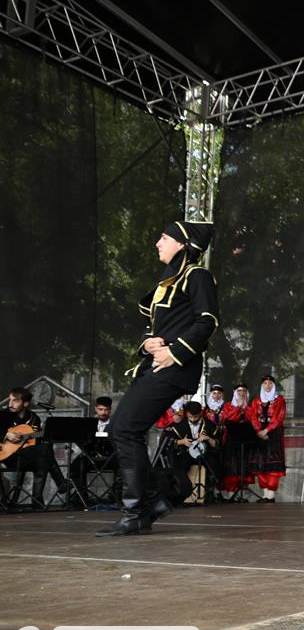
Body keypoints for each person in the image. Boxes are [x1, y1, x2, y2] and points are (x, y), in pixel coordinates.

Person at [96, 220, 218, 537]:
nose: (157, 243)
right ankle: (153, 501)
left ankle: (140, 508)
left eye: (164, 237)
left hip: (174, 367)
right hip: (157, 365)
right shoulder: (168, 283)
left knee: (123, 428)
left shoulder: (197, 276)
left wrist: (174, 352)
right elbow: (159, 330)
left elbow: (207, 322)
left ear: (182, 243)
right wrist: (148, 344)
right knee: (123, 429)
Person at [1, 387, 67, 509]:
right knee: (45, 450)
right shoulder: (3, 415)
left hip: (26, 455)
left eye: (15, 401)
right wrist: (6, 434)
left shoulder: (33, 418)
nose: (10, 404)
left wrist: (41, 434)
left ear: (25, 403)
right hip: (8, 456)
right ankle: (61, 482)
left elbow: (35, 439)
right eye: (10, 400)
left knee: (43, 457)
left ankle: (36, 501)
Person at [68, 396, 120, 506]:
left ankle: (115, 496)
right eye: (101, 409)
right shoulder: (88, 424)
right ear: (96, 409)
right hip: (91, 457)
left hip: (110, 458)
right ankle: (81, 497)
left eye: (106, 410)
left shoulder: (116, 424)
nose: (103, 412)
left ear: (110, 410)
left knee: (123, 463)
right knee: (76, 465)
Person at [166, 400, 220, 505]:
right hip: (186, 453)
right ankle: (182, 493)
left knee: (214, 463)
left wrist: (208, 439)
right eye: (190, 417)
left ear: (201, 413)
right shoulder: (178, 426)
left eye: (195, 417)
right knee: (180, 464)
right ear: (186, 414)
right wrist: (182, 442)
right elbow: (168, 443)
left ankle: (209, 493)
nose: (193, 419)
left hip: (205, 454)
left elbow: (218, 443)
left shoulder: (210, 425)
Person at [246, 375, 286, 503]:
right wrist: (258, 431)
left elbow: (278, 417)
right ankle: (265, 495)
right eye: (265, 383)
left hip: (273, 434)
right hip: (259, 435)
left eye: (270, 383)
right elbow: (253, 417)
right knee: (260, 465)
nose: (267, 386)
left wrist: (266, 430)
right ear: (262, 386)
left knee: (273, 465)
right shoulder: (256, 400)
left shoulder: (279, 400)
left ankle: (271, 495)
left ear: (273, 386)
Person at [217, 383, 251, 500]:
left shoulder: (249, 407)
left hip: (245, 441)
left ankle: (243, 492)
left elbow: (253, 419)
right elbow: (227, 419)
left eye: (244, 391)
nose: (241, 394)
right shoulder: (228, 406)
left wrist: (245, 408)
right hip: (231, 441)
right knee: (231, 466)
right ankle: (231, 492)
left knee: (243, 466)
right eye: (239, 391)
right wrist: (238, 408)